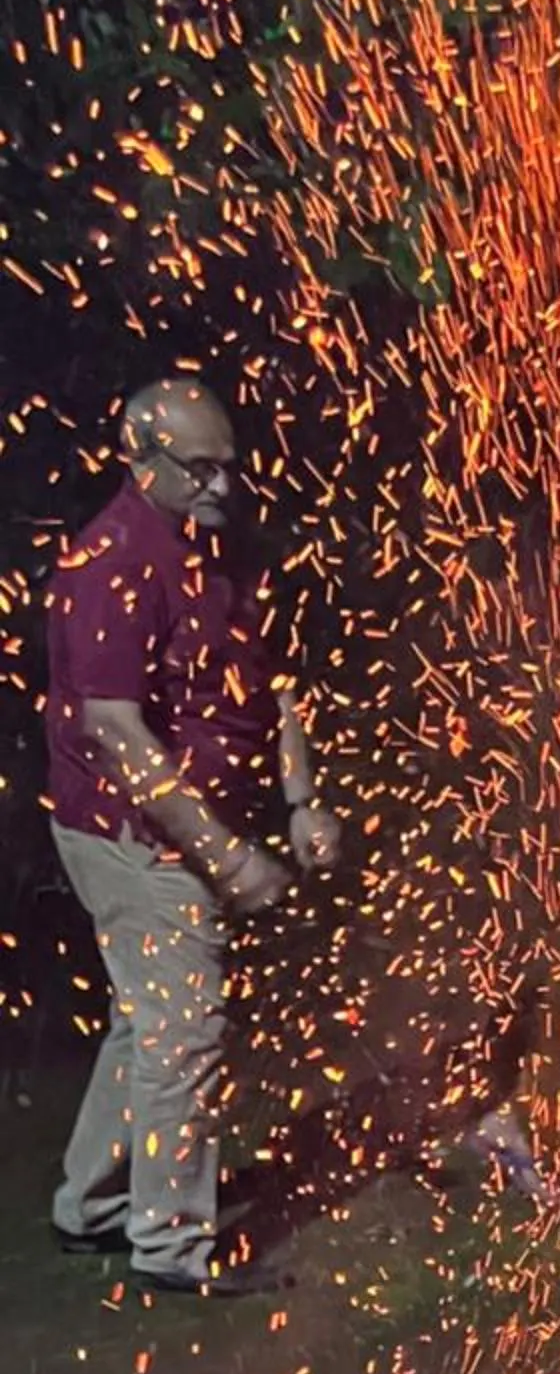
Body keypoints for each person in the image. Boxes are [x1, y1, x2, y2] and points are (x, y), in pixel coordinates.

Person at [42, 376, 343, 1295]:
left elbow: (274, 681)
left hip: (194, 830)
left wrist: (299, 800)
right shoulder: (109, 566)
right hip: (128, 836)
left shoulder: (223, 551)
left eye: (229, 469)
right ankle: (172, 1247)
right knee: (187, 1032)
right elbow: (116, 734)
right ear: (142, 460)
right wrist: (224, 856)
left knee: (148, 1023)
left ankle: (89, 1208)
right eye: (200, 470)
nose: (222, 487)